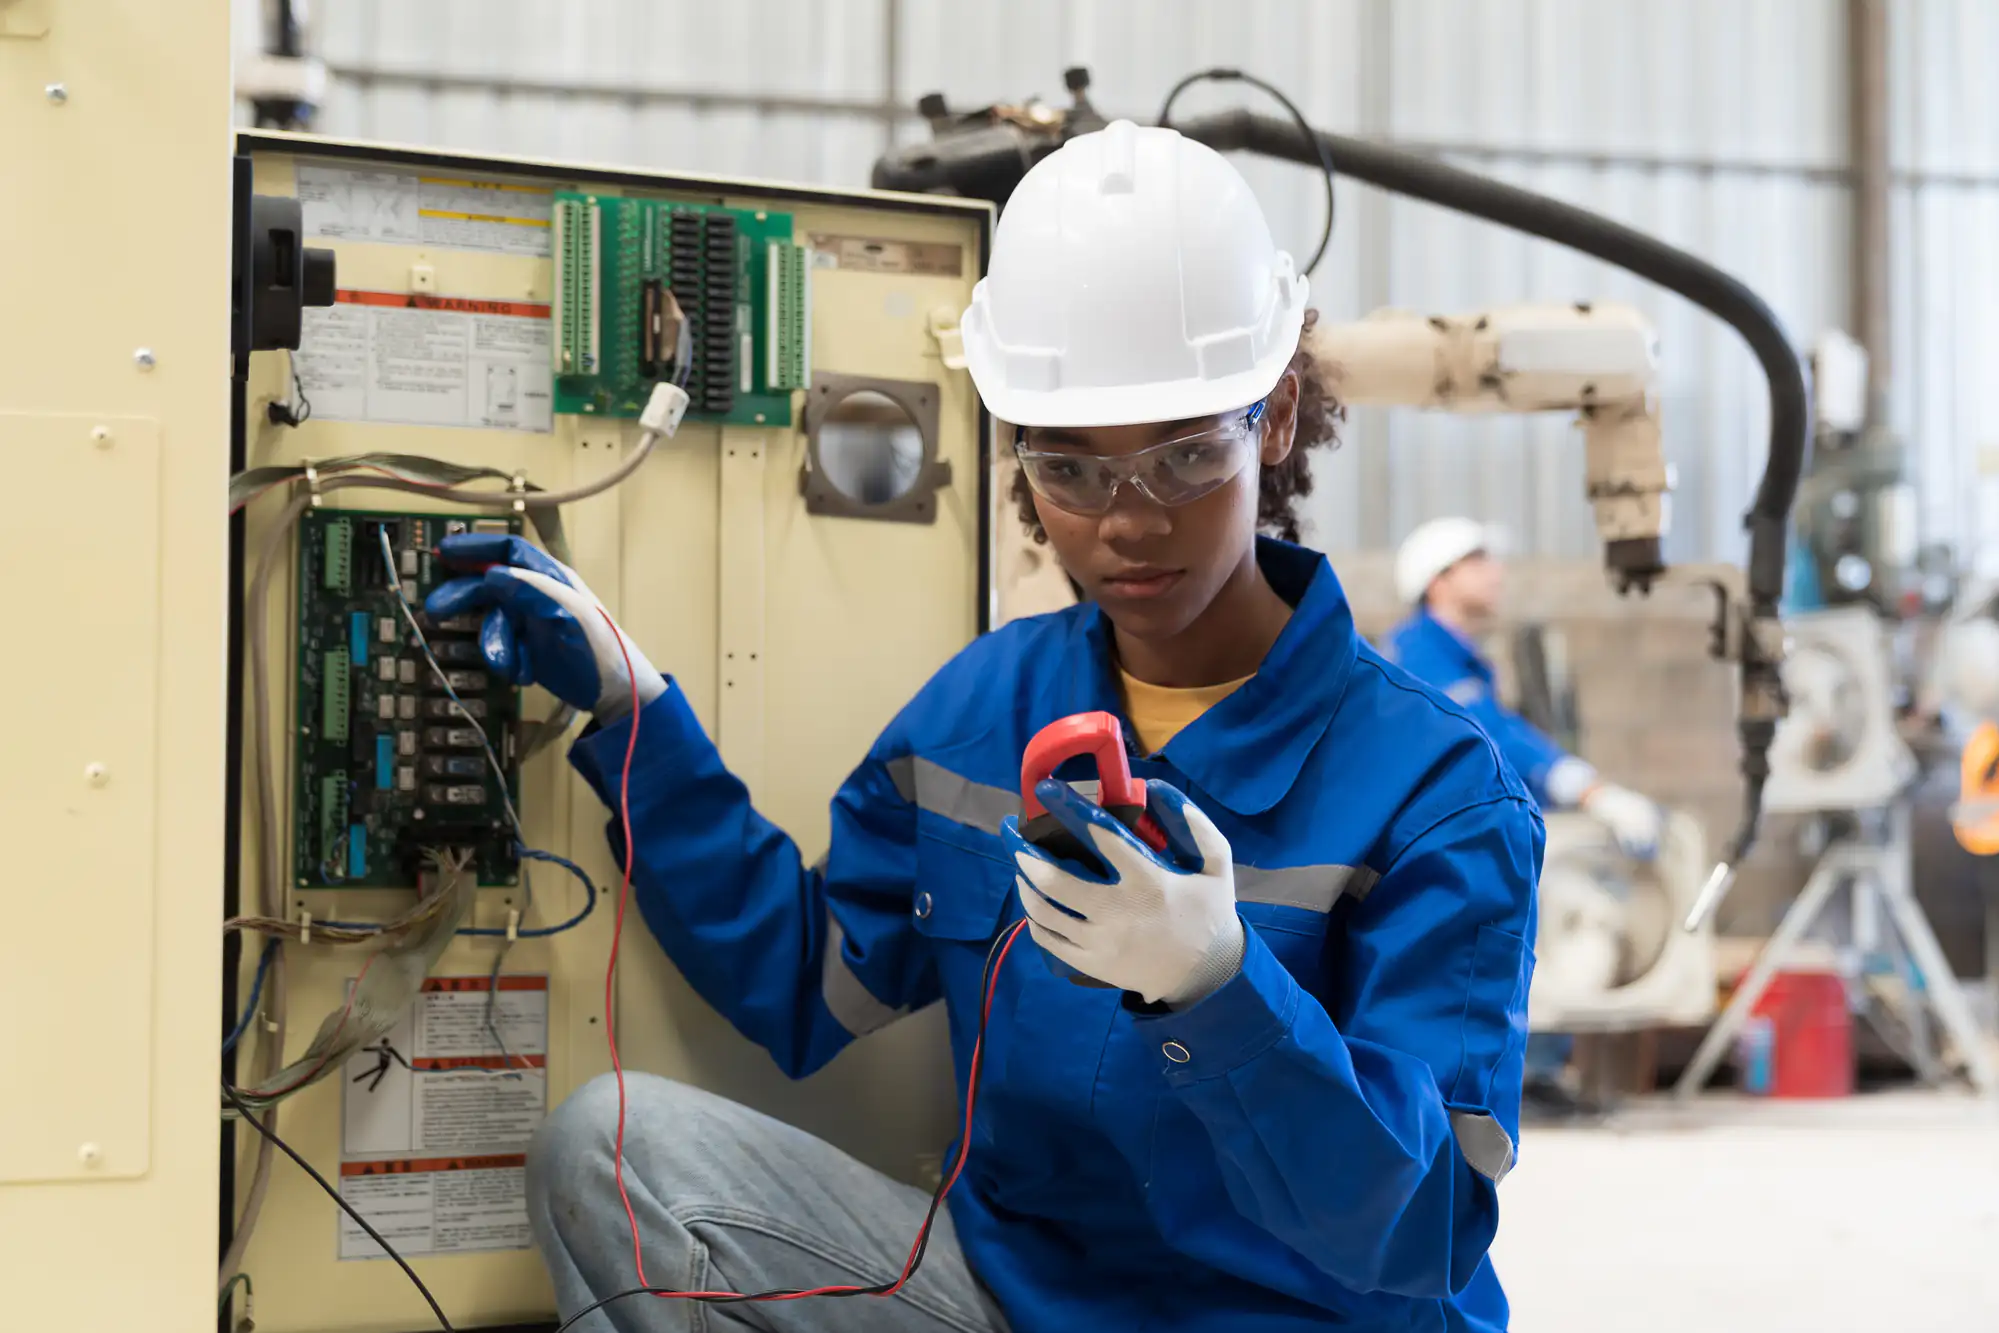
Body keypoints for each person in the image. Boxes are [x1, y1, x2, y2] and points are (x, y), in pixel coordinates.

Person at [430, 121, 1540, 1333]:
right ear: (1017, 457)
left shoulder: (1432, 788)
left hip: (1295, 1316)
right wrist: (636, 720)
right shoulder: (984, 711)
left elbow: (1424, 1228)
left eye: (1180, 458)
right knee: (617, 1155)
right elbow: (810, 983)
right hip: (1018, 1300)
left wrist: (1222, 993)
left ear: (1272, 420)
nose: (1128, 521)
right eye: (1070, 468)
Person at [1384, 516, 1663, 1114]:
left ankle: (1529, 1076)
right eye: (1479, 560)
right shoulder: (1419, 653)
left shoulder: (1459, 658)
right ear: (1440, 580)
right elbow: (1489, 734)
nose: (1496, 572)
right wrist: (1585, 785)